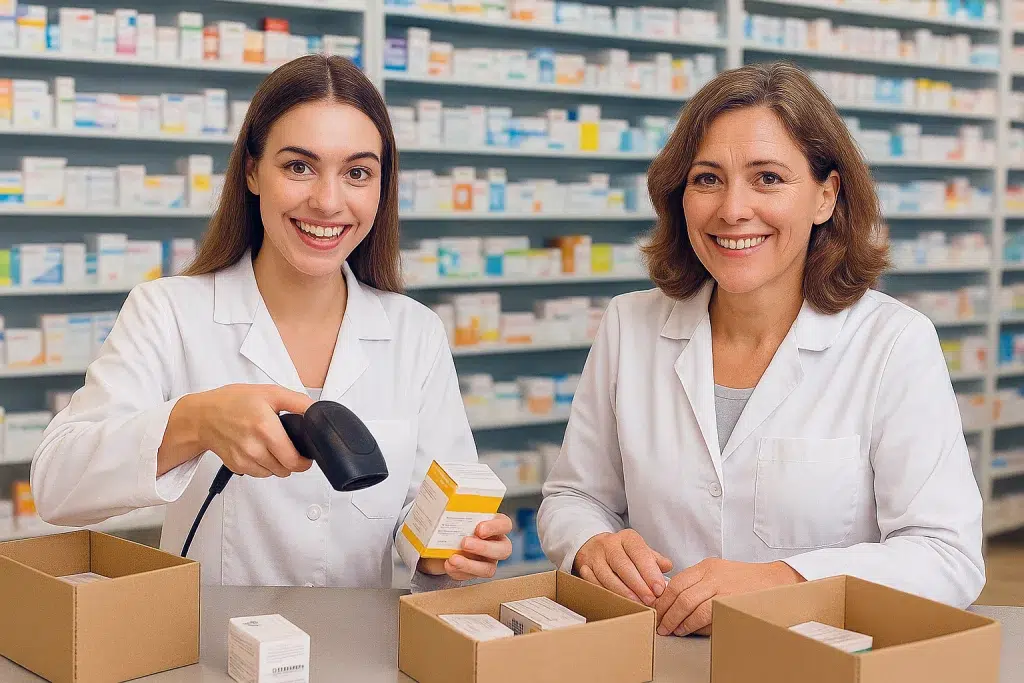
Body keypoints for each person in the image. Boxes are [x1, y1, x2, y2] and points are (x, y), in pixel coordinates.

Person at [30, 54, 512, 590]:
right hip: (207, 651)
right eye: (299, 166)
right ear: (253, 171)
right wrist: (196, 421)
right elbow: (56, 485)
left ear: (382, 186)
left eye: (357, 173)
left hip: (358, 654)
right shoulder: (167, 312)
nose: (329, 202)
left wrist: (442, 552)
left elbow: (422, 512)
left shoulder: (414, 332)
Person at [537, 62, 986, 637]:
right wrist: (590, 543)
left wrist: (786, 580)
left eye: (768, 178)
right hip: (661, 654)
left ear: (826, 195)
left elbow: (948, 555)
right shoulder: (631, 324)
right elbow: (572, 495)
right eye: (707, 179)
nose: (732, 210)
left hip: (816, 663)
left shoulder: (893, 342)